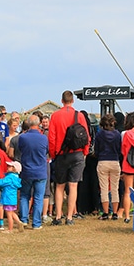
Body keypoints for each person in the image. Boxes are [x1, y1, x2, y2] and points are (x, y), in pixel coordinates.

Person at [47, 90, 90, 226]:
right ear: (73, 101)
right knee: (73, 185)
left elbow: (51, 137)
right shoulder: (79, 116)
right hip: (77, 153)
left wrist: (53, 153)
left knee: (59, 186)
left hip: (61, 154)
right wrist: (85, 152)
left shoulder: (55, 116)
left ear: (61, 101)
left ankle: (58, 215)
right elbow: (86, 136)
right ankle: (70, 216)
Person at [17, 115, 49, 229]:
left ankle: (24, 219)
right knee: (38, 197)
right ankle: (36, 223)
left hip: (26, 170)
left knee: (25, 195)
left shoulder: (23, 137)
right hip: (40, 171)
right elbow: (46, 151)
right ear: (39, 123)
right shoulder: (44, 138)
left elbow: (20, 149)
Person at [95, 114, 122, 220]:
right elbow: (120, 149)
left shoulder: (100, 134)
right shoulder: (117, 134)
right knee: (115, 188)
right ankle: (115, 213)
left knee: (104, 188)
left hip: (103, 161)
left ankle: (105, 213)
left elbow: (97, 149)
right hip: (115, 161)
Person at [0, 161, 24, 233]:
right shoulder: (15, 178)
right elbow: (2, 185)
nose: (8, 167)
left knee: (9, 214)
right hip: (12, 199)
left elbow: (1, 183)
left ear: (14, 169)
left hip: (8, 198)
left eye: (10, 166)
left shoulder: (10, 177)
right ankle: (19, 222)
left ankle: (10, 229)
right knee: (12, 212)